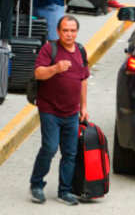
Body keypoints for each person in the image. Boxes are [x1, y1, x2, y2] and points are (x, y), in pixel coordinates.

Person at [29, 16, 89, 206]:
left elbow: (83, 79)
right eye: (65, 30)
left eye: (72, 30)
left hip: (72, 112)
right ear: (58, 31)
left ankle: (65, 190)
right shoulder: (50, 49)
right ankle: (36, 184)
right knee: (50, 148)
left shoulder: (80, 50)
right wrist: (55, 68)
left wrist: (84, 107)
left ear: (77, 32)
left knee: (70, 153)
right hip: (50, 110)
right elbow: (38, 73)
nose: (69, 34)